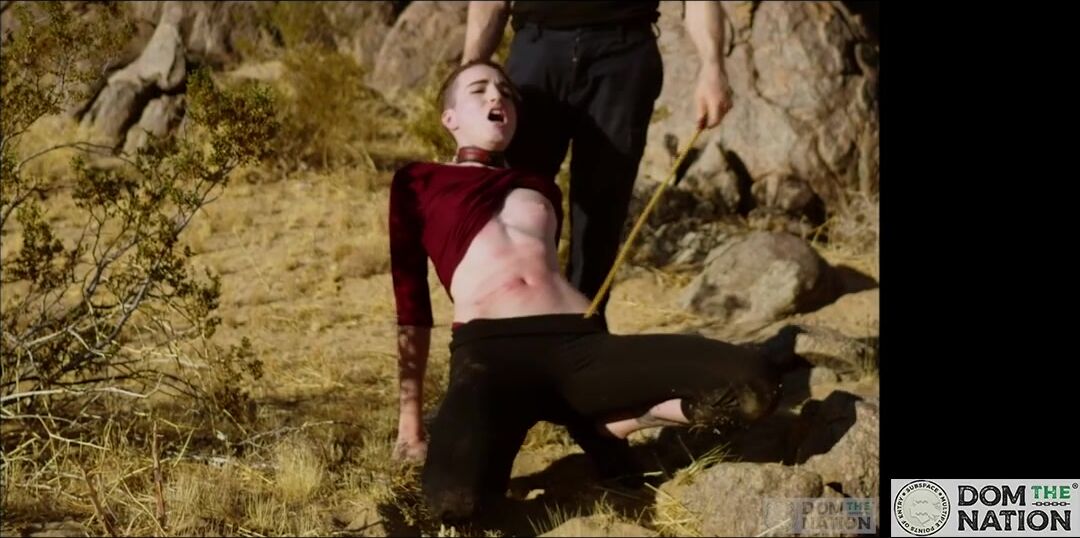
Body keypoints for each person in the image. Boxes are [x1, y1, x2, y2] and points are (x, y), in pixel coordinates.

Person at [389, 60, 785, 522]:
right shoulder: (418, 181)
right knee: (453, 504)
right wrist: (410, 424)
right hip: (489, 357)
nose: (497, 96)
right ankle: (574, 424)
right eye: (479, 90)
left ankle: (612, 423)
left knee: (755, 384)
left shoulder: (539, 186)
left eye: (506, 92)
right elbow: (411, 305)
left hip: (578, 345)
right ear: (449, 117)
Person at [462, 1, 734, 326]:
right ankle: (516, 326)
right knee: (517, 197)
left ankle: (583, 328)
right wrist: (469, 72)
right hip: (538, 52)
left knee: (603, 203)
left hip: (624, 53)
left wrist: (713, 67)